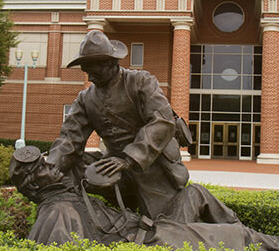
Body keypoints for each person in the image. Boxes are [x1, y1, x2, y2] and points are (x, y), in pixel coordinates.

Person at [10, 145, 279, 251]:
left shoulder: (71, 192)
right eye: (44, 167)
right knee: (237, 238)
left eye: (47, 161)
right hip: (148, 243)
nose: (53, 164)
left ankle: (244, 244)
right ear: (33, 184)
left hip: (153, 228)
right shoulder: (58, 212)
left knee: (195, 194)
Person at [48, 30, 191, 219]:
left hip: (151, 165)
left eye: (95, 71)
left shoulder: (141, 82)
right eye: (87, 72)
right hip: (112, 163)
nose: (90, 78)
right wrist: (50, 168)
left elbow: (162, 122)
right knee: (69, 170)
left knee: (164, 223)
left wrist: (128, 159)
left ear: (111, 63)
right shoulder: (86, 98)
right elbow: (69, 138)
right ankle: (75, 218)